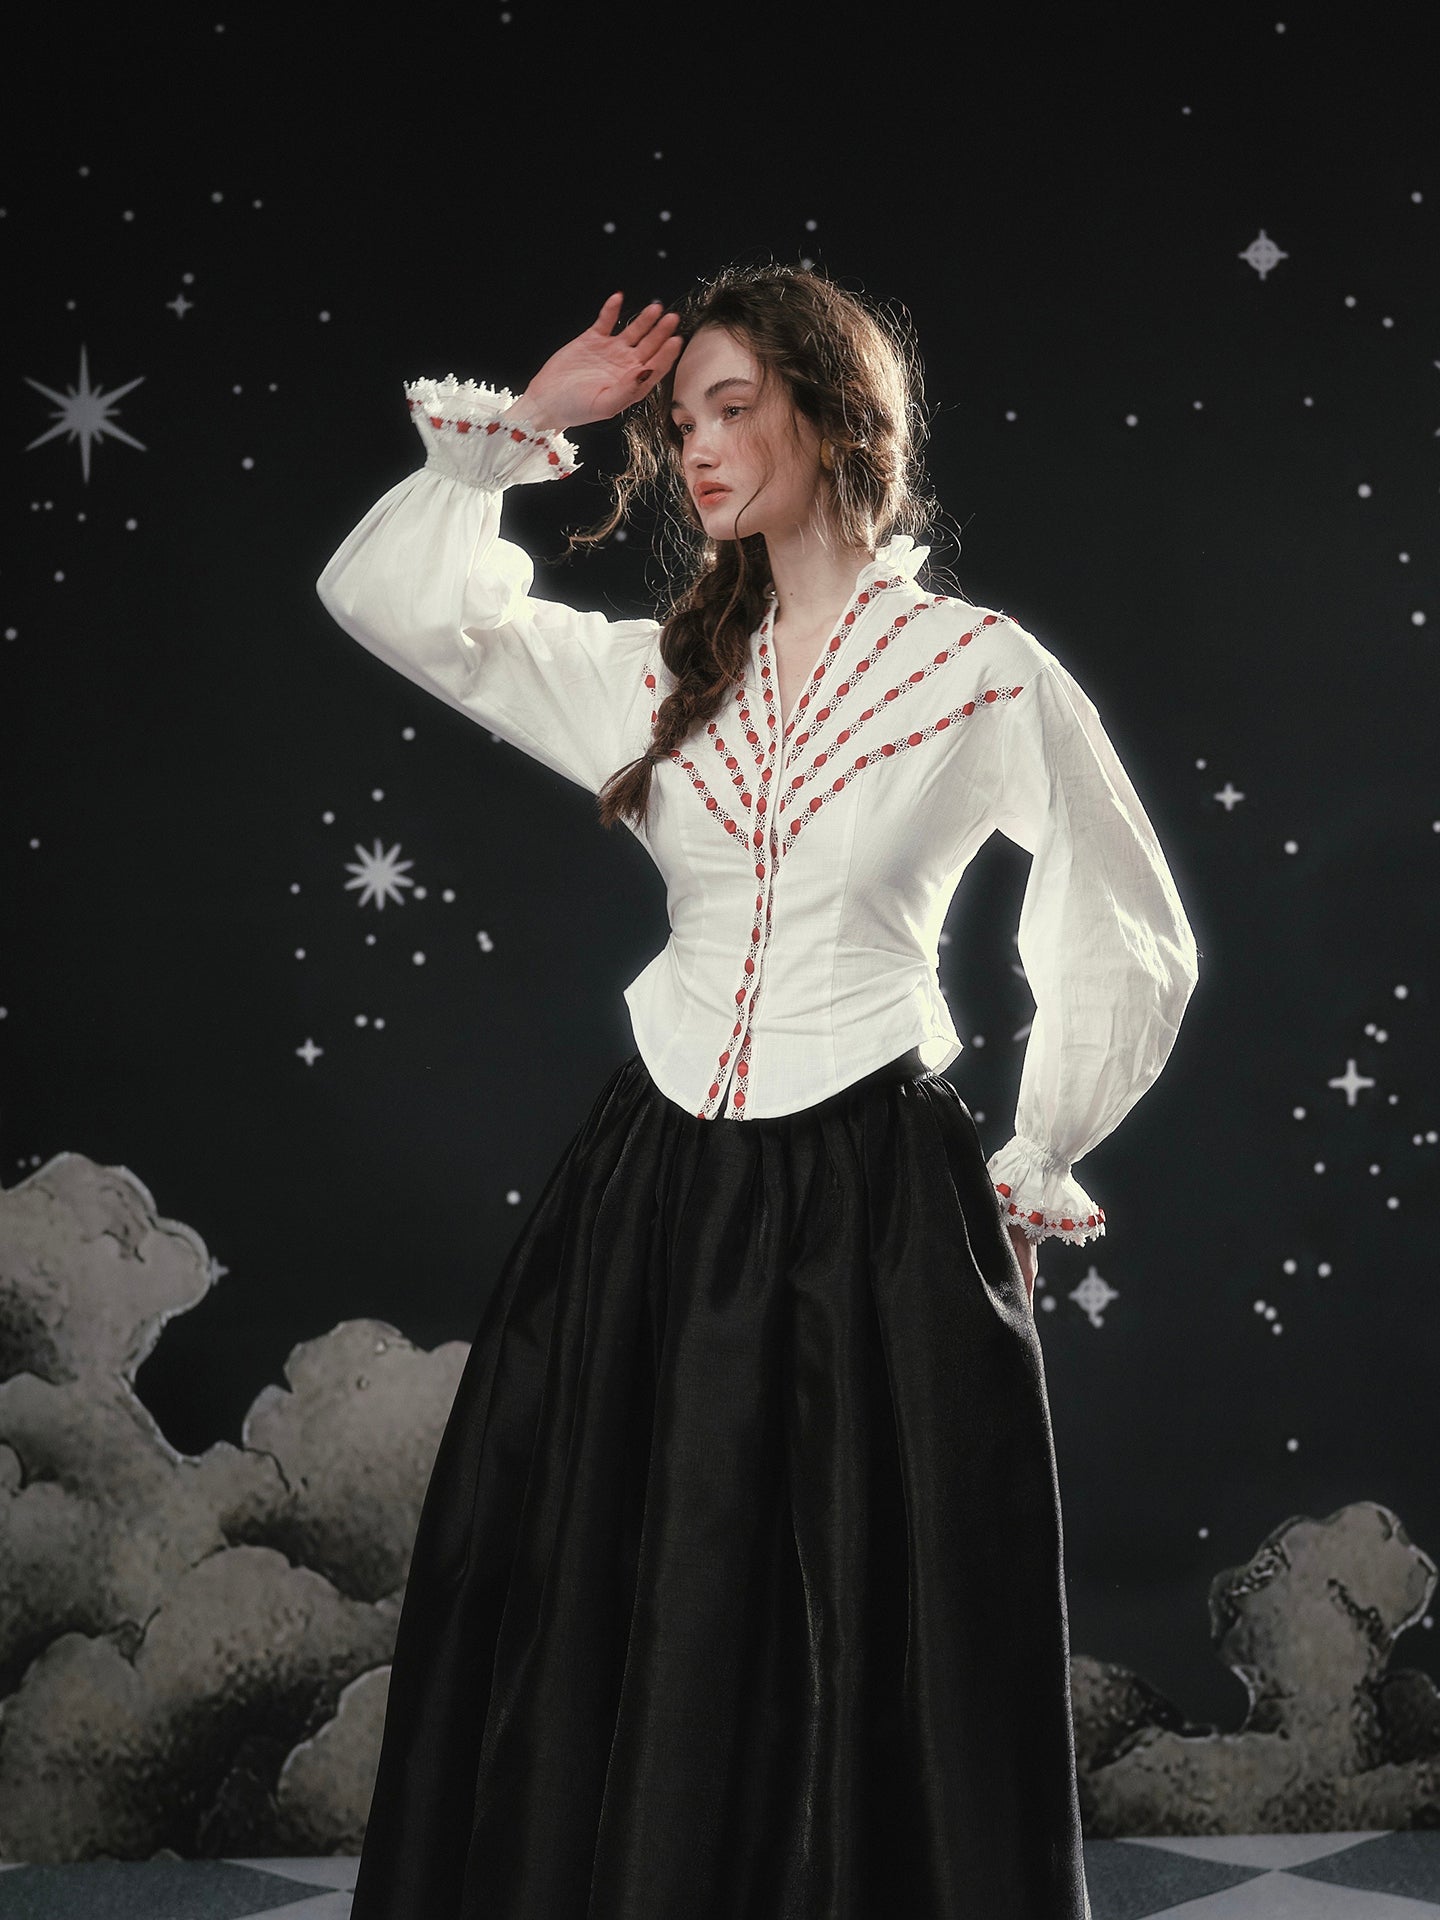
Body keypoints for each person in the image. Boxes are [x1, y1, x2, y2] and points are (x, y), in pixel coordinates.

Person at [315, 261, 1199, 1920]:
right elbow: (388, 603)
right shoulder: (663, 669)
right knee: (626, 1587)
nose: (700, 449)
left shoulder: (978, 667)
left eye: (734, 408)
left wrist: (1044, 1144)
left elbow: (1125, 918)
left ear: (837, 417)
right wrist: (528, 425)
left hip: (876, 1192)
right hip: (655, 1192)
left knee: (876, 1615)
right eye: (682, 423)